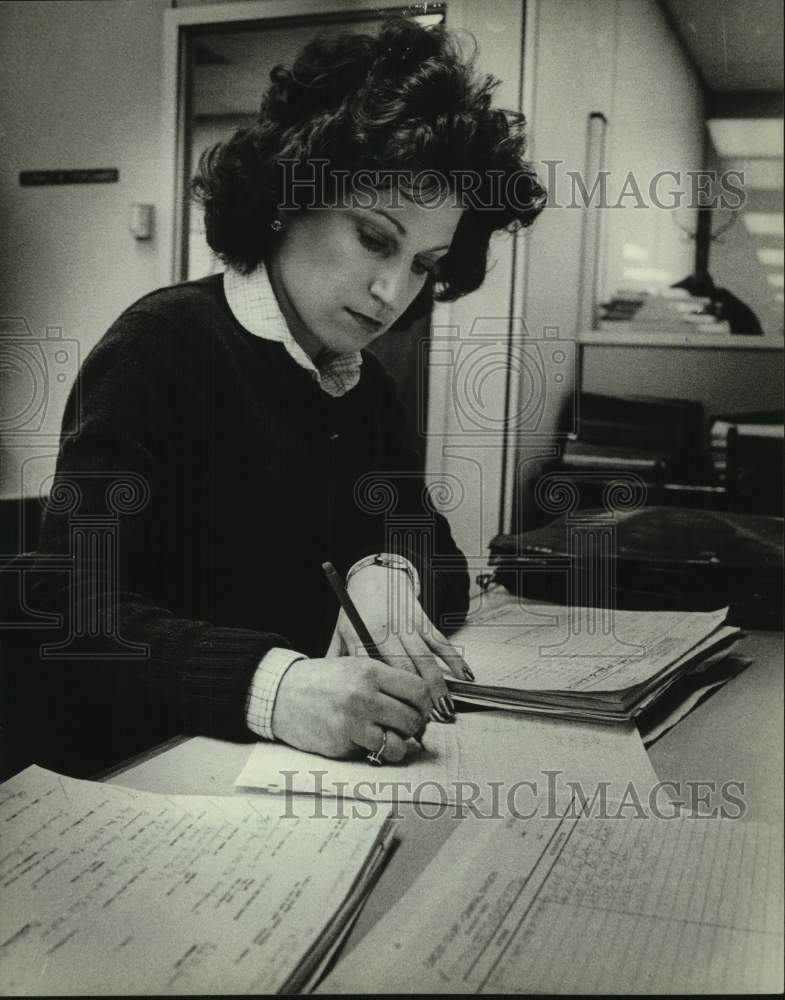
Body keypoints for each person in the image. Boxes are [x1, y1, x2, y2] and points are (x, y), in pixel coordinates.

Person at [0, 16, 544, 776]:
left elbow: (439, 557)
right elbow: (70, 608)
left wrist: (386, 573)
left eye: (425, 263)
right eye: (373, 237)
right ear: (287, 199)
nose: (394, 292)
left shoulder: (362, 383)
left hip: (295, 773)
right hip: (144, 770)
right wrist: (275, 686)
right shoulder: (163, 345)